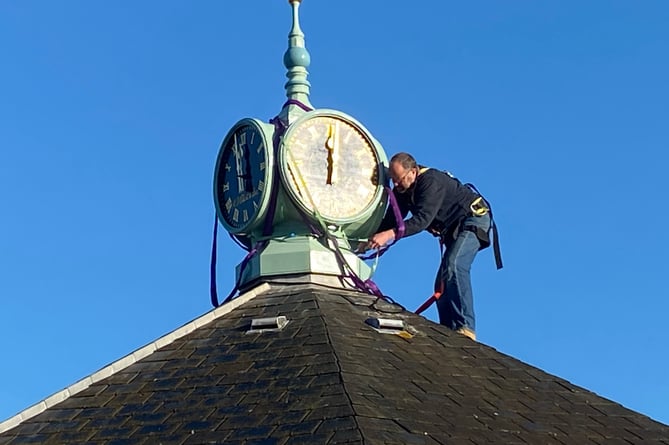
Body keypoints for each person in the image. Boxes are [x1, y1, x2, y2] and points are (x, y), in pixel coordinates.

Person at [363, 152, 501, 341]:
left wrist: (387, 235)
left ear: (413, 172)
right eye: (393, 180)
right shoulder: (403, 190)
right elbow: (392, 220)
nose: (396, 185)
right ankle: (449, 331)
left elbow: (421, 221)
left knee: (454, 266)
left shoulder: (430, 182)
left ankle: (465, 327)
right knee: (442, 283)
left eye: (399, 179)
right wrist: (365, 242)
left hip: (473, 221)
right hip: (453, 229)